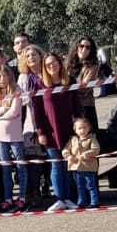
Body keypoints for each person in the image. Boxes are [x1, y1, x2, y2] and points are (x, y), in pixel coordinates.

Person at [34, 49, 79, 210]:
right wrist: (40, 132)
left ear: (60, 63)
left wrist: (79, 126)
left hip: (69, 130)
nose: (52, 66)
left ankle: (68, 198)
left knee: (68, 164)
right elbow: (37, 111)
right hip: (50, 131)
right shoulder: (39, 84)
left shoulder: (70, 81)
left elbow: (77, 106)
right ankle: (59, 198)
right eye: (48, 64)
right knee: (56, 165)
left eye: (54, 62)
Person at [0, 52, 28, 211]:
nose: (2, 80)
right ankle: (8, 197)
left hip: (15, 135)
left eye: (4, 76)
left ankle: (22, 196)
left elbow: (15, 112)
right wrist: (3, 109)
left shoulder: (16, 91)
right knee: (6, 168)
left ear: (10, 76)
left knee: (20, 165)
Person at [66, 38, 110, 126]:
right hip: (69, 106)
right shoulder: (68, 64)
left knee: (90, 136)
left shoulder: (93, 66)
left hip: (85, 106)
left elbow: (84, 89)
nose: (84, 49)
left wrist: (67, 90)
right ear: (76, 47)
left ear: (91, 50)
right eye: (81, 46)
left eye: (88, 47)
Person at [65, 118, 101, 209]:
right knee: (80, 186)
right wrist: (68, 156)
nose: (82, 130)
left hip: (88, 167)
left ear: (89, 128)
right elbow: (65, 150)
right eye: (79, 128)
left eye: (84, 128)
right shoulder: (72, 140)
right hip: (77, 168)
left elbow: (96, 149)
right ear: (75, 130)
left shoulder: (92, 139)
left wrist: (87, 153)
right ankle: (81, 202)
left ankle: (94, 202)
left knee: (91, 186)